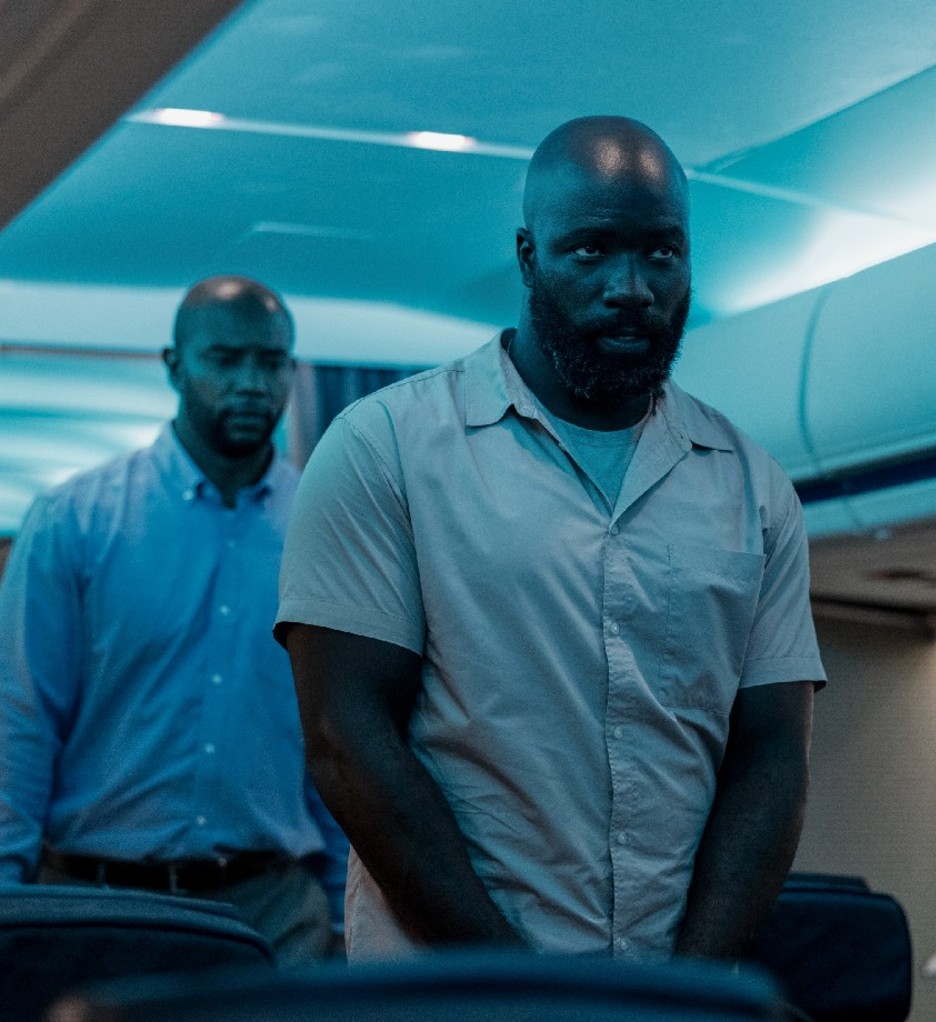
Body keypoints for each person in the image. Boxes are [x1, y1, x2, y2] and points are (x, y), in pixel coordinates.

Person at [277, 117, 826, 962]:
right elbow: (348, 741)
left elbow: (770, 760)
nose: (632, 287)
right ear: (529, 257)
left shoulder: (752, 487)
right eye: (593, 251)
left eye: (661, 253)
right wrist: (522, 992)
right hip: (452, 990)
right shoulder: (385, 446)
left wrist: (686, 991)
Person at [0, 276, 348, 963]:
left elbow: (341, 733)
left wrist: (345, 912)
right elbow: (21, 723)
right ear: (174, 365)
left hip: (276, 916)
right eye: (225, 359)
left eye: (271, 363)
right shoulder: (75, 521)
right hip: (96, 905)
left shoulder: (330, 527)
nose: (252, 383)